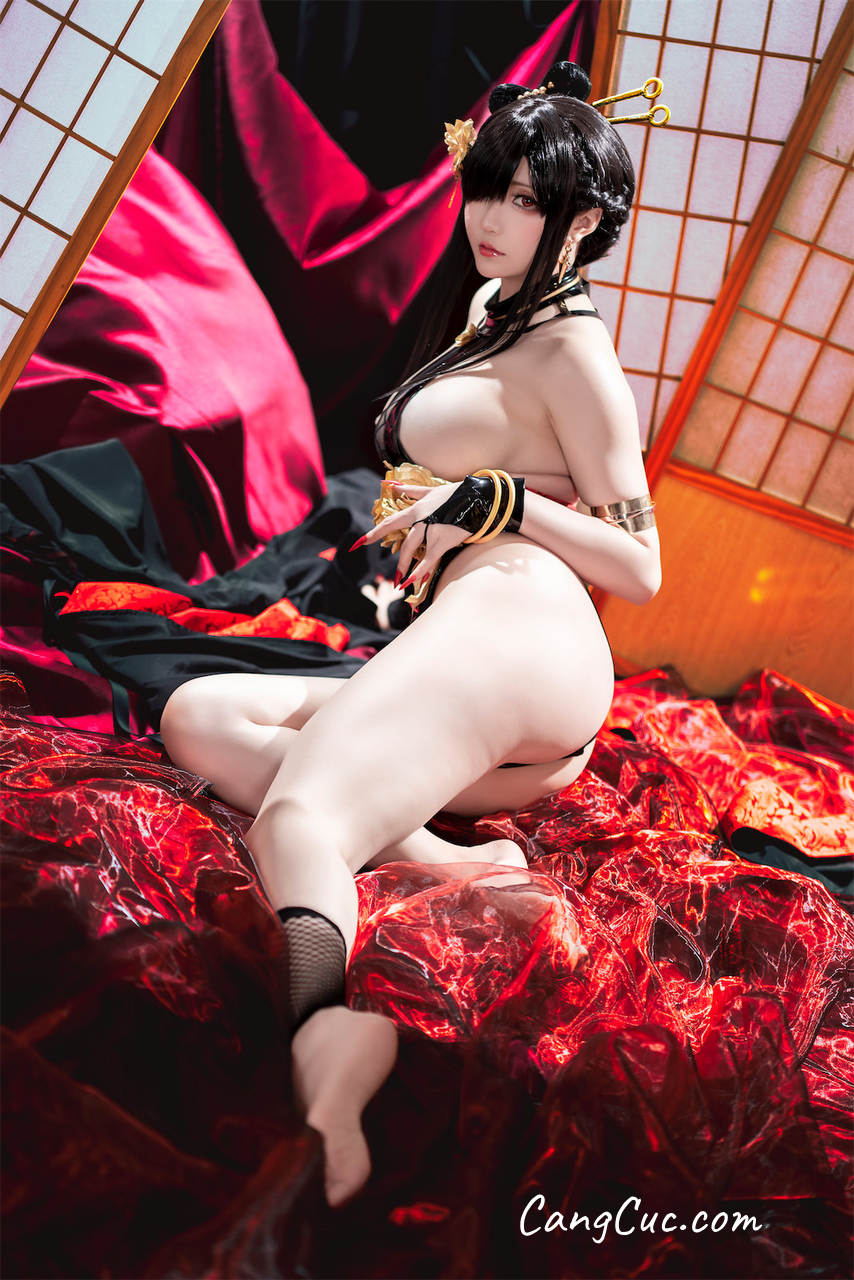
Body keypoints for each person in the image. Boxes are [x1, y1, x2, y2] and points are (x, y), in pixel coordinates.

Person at [159, 61, 662, 1208]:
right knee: (199, 712)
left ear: (585, 223)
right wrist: (458, 511)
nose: (491, 217)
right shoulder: (495, 308)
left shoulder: (575, 354)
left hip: (527, 631)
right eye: (485, 188)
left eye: (526, 201)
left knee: (297, 818)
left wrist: (501, 503)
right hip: (470, 633)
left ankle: (326, 1044)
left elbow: (639, 564)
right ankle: (448, 858)